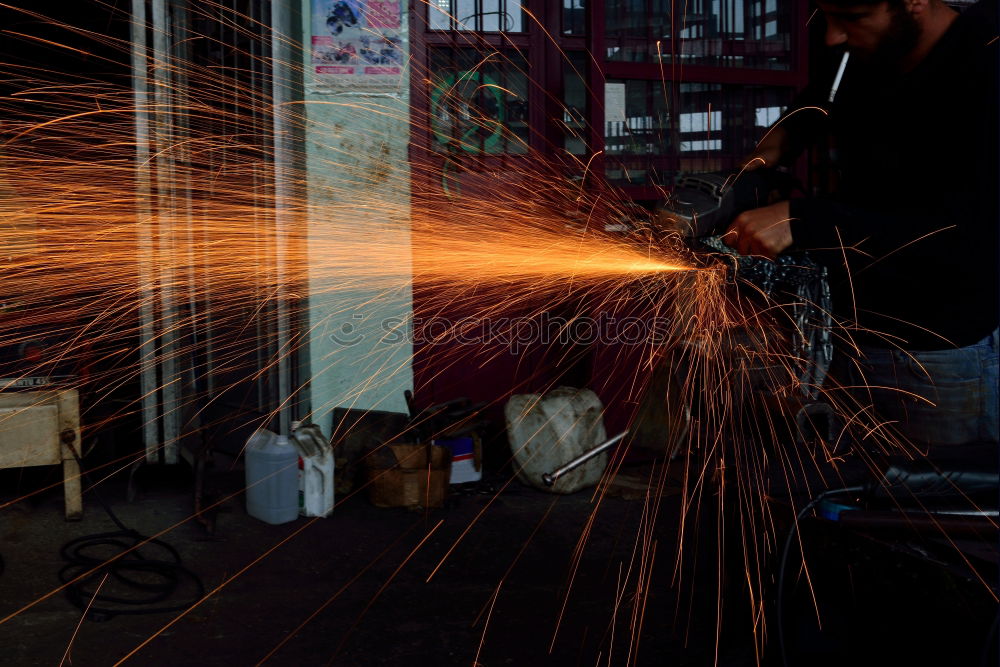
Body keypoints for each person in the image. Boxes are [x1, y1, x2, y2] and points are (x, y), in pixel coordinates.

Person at [724, 0, 999, 447]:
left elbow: (967, 237)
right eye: (826, 16)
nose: (833, 36)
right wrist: (778, 145)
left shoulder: (986, 67)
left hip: (939, 350)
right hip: (852, 330)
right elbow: (823, 99)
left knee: (936, 507)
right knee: (863, 499)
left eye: (852, 18)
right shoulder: (867, 49)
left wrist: (804, 220)